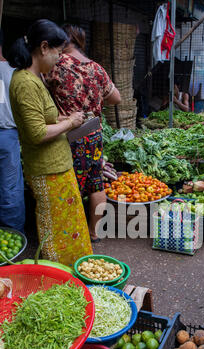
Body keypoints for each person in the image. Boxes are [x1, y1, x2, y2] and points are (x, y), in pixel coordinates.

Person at [8, 19, 93, 266]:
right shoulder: (25, 82)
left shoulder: (35, 79)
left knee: (68, 224)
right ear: (44, 47)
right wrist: (69, 124)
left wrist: (67, 118)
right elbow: (36, 133)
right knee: (57, 230)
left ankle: (75, 270)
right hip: (47, 169)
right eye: (58, 52)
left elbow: (44, 119)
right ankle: (60, 276)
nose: (59, 58)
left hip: (56, 165)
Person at [45, 24, 121, 242]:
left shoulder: (55, 64)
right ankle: (94, 232)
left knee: (71, 186)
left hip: (69, 134)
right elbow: (116, 98)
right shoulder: (96, 68)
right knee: (96, 183)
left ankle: (71, 236)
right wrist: (94, 98)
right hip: (94, 132)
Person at [0, 29, 25, 233]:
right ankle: (13, 233)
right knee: (10, 188)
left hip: (6, 134)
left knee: (9, 189)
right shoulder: (13, 71)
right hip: (8, 136)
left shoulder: (8, 72)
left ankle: (12, 234)